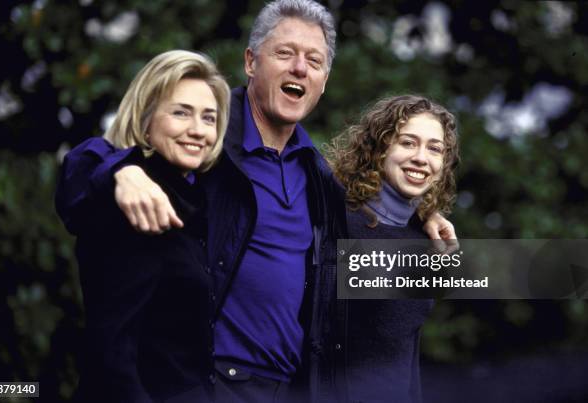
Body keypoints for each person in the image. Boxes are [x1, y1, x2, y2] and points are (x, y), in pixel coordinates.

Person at [56, 1, 458, 401]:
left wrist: (422, 212)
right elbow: (87, 163)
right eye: (285, 53)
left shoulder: (317, 175)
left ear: (324, 80)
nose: (300, 68)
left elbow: (370, 224)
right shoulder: (206, 135)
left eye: (313, 60)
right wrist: (119, 173)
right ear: (251, 62)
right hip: (205, 383)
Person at [69, 50, 231, 403]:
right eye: (180, 113)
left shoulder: (195, 198)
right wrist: (122, 173)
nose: (197, 130)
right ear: (145, 120)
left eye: (209, 118)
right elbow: (112, 350)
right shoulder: (135, 197)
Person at [326, 94, 460, 402]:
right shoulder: (335, 221)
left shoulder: (426, 240)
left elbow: (404, 353)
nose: (421, 158)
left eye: (435, 149)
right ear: (379, 148)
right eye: (407, 143)